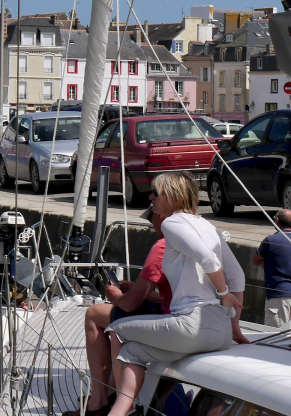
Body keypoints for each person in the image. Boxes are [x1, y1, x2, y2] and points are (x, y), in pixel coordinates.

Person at [104, 172, 244, 416]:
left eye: (156, 193)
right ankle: (124, 410)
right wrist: (235, 329)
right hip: (218, 333)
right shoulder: (208, 226)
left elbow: (208, 259)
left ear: (173, 196)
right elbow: (238, 275)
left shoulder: (171, 223)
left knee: (116, 329)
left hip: (191, 326)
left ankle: (118, 408)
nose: (151, 197)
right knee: (131, 351)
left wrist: (223, 293)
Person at [71, 209, 173, 416]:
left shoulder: (163, 247)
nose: (152, 225)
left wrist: (115, 295)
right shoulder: (195, 242)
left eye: (151, 219)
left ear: (161, 218)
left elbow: (128, 305)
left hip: (169, 318)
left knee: (93, 314)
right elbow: (172, 296)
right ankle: (109, 390)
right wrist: (139, 290)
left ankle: (99, 400)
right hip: (179, 311)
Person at [253, 208, 291, 328]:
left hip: (279, 296)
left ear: (277, 220)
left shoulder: (271, 241)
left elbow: (255, 260)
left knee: (276, 338)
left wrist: (266, 260)